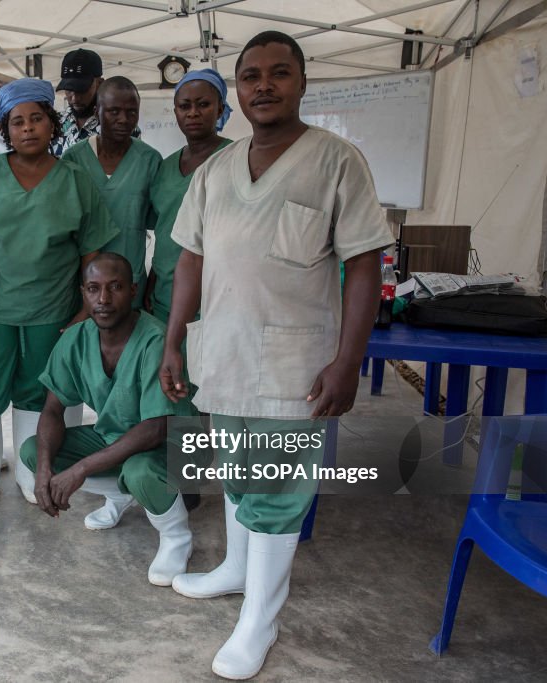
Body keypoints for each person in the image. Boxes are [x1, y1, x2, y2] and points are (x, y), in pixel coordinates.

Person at [160, 32, 393, 680]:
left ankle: (259, 621)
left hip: (294, 364)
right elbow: (190, 261)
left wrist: (349, 360)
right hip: (225, 353)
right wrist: (175, 339)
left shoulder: (336, 161)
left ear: (301, 82)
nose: (264, 85)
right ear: (239, 89)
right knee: (237, 473)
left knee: (277, 491)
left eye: (279, 73)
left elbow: (366, 266)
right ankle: (236, 571)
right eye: (252, 75)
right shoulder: (214, 171)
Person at [0, 78, 119, 512]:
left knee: (37, 392)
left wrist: (85, 307)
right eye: (17, 122)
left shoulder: (74, 180)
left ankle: (26, 471)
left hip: (51, 308)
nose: (28, 128)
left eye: (37, 118)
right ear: (6, 130)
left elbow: (91, 251)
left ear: (52, 125)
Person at [21, 253, 196, 585]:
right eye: (93, 288)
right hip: (116, 438)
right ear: (83, 293)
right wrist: (44, 467)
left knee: (139, 469)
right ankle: (120, 494)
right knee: (34, 451)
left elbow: (156, 428)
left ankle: (176, 536)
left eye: (115, 287)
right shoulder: (76, 339)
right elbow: (53, 410)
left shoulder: (155, 339)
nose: (103, 299)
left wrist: (81, 469)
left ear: (133, 290)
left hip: (177, 448)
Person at [62, 77, 161, 310]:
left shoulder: (149, 161)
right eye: (114, 111)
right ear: (97, 111)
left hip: (130, 284)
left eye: (131, 112)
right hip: (83, 284)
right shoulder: (74, 159)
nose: (123, 119)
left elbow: (163, 225)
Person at [145, 69, 233, 324]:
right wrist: (154, 279)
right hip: (164, 298)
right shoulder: (165, 167)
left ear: (219, 110)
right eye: (185, 106)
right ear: (175, 112)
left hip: (215, 301)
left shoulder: (235, 159)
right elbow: (165, 231)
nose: (193, 113)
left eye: (203, 105)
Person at [52, 48, 139, 157]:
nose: (74, 98)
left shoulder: (121, 126)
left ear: (100, 83)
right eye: (69, 90)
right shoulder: (55, 123)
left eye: (81, 89)